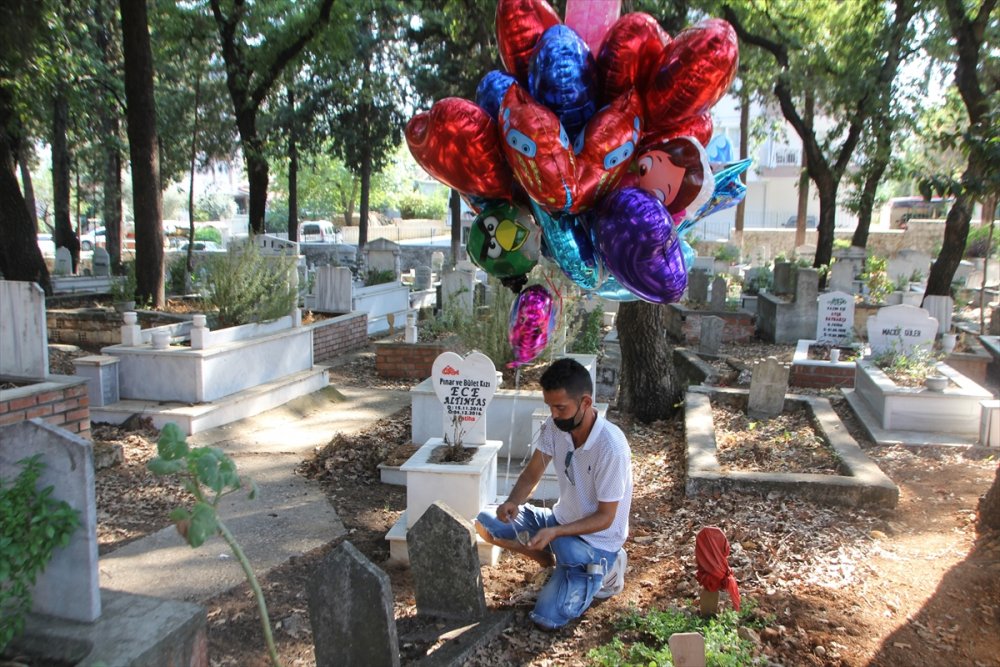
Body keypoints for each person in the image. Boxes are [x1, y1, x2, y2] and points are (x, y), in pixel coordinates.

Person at [475, 358, 633, 630]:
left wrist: (556, 533)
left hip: (596, 542)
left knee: (547, 618)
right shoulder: (555, 426)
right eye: (550, 406)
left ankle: (609, 569)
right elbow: (532, 473)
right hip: (559, 521)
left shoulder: (611, 447)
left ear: (585, 402)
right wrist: (513, 501)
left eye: (561, 407)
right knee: (488, 522)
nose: (554, 415)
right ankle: (551, 563)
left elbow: (606, 518)